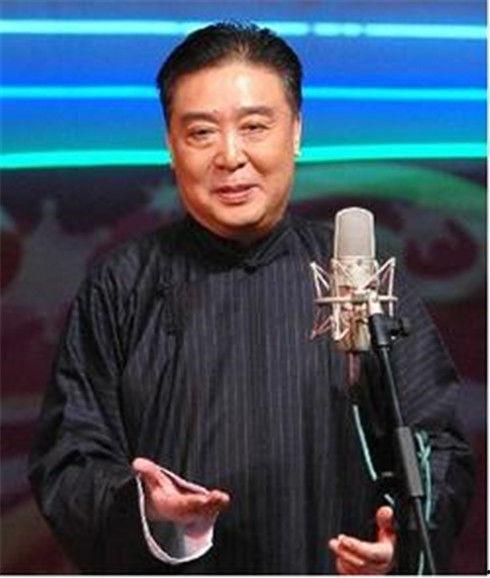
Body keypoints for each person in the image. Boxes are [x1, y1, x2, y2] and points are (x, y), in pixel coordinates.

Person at [29, 22, 474, 574]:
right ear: (170, 144)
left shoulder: (360, 277)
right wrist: (148, 510)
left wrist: (401, 544)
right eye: (201, 133)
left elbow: (438, 446)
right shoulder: (121, 285)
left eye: (255, 127)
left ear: (296, 132)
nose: (230, 156)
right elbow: (69, 458)